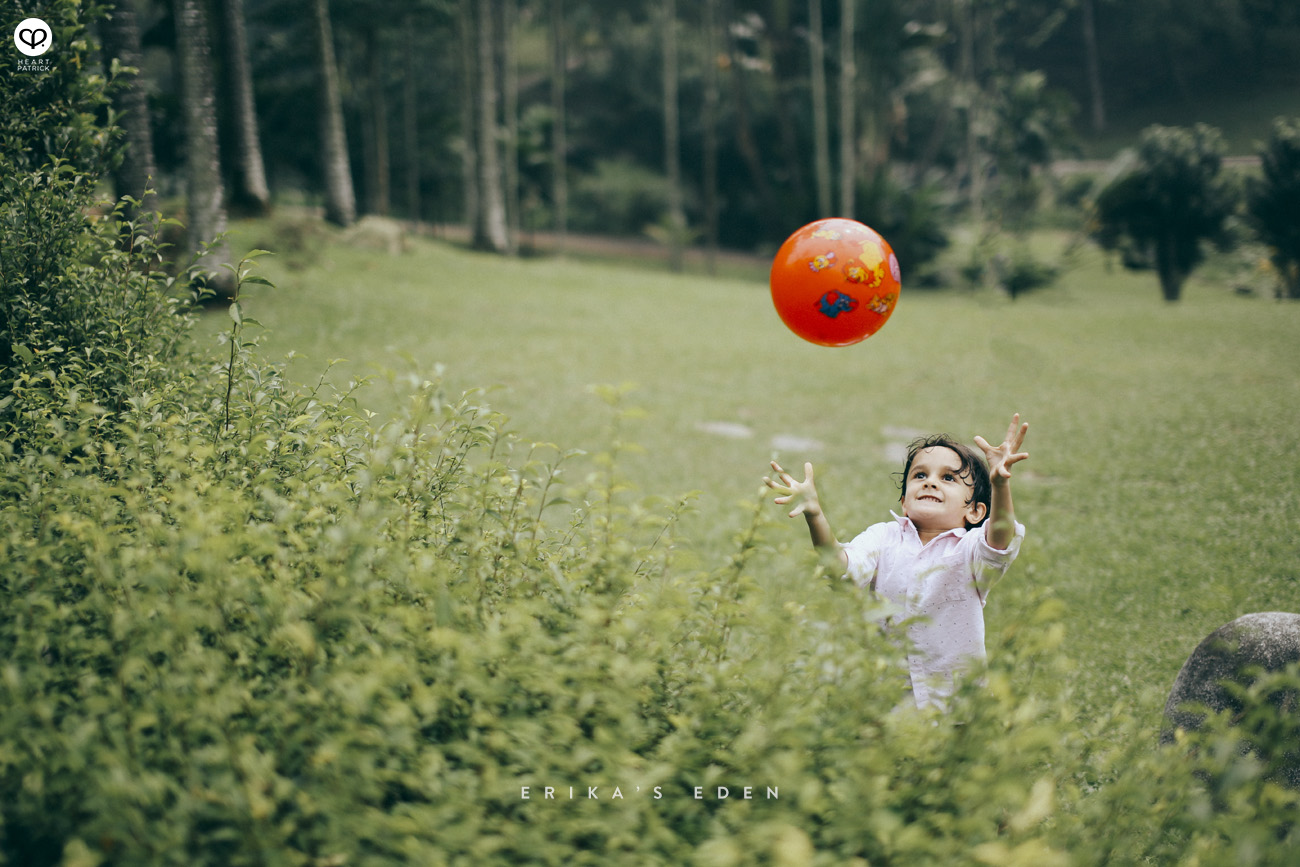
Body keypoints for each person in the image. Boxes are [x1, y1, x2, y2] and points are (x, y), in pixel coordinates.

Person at [764, 415, 1030, 710]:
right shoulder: (884, 537)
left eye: (948, 478)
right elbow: (842, 569)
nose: (930, 482)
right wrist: (815, 514)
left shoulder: (971, 552)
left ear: (976, 511)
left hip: (959, 707)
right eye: (919, 475)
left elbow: (999, 541)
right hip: (891, 704)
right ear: (904, 501)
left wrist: (1000, 484)